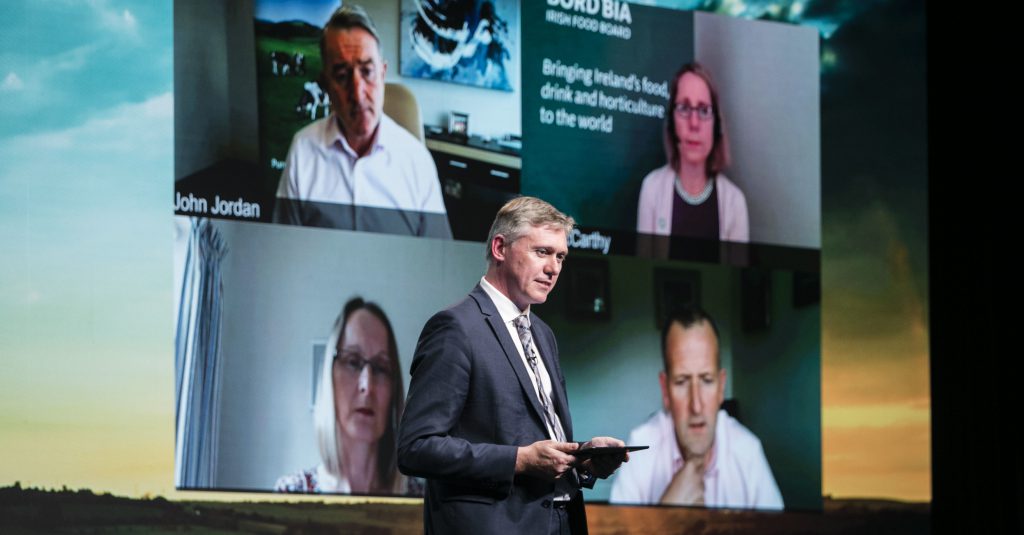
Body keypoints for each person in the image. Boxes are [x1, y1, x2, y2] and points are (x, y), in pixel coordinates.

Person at [397, 197, 627, 534]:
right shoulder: (456, 328)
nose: (553, 268)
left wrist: (584, 459)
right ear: (500, 248)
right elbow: (416, 448)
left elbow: (536, 441)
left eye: (560, 256)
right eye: (542, 252)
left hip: (562, 522)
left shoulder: (543, 334)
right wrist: (519, 460)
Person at [274, 4, 451, 238]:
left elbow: (438, 254)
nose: (358, 94)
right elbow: (285, 247)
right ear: (325, 84)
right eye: (342, 76)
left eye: (367, 71)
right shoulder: (303, 151)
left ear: (382, 74)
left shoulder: (417, 161)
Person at [609, 307, 782, 509]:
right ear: (665, 390)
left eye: (707, 380)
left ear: (721, 387)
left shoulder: (748, 451)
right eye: (682, 382)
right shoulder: (640, 448)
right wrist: (666, 516)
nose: (696, 406)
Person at [276, 297, 421, 496]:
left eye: (381, 367)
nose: (367, 386)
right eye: (353, 362)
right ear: (330, 376)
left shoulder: (419, 500)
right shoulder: (291, 494)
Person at [636, 62, 748, 242]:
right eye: (684, 108)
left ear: (716, 125)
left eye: (704, 110)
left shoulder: (735, 203)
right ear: (672, 122)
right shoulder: (652, 190)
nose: (694, 123)